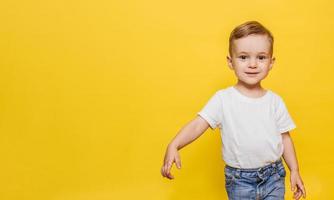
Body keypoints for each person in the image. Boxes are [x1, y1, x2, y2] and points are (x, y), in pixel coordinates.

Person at [160, 21, 306, 200]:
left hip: (273, 176)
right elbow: (199, 124)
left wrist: (295, 170)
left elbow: (285, 138)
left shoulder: (275, 102)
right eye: (243, 57)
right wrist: (174, 144)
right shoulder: (223, 99)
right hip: (239, 180)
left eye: (261, 57)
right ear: (230, 61)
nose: (253, 64)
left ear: (271, 62)